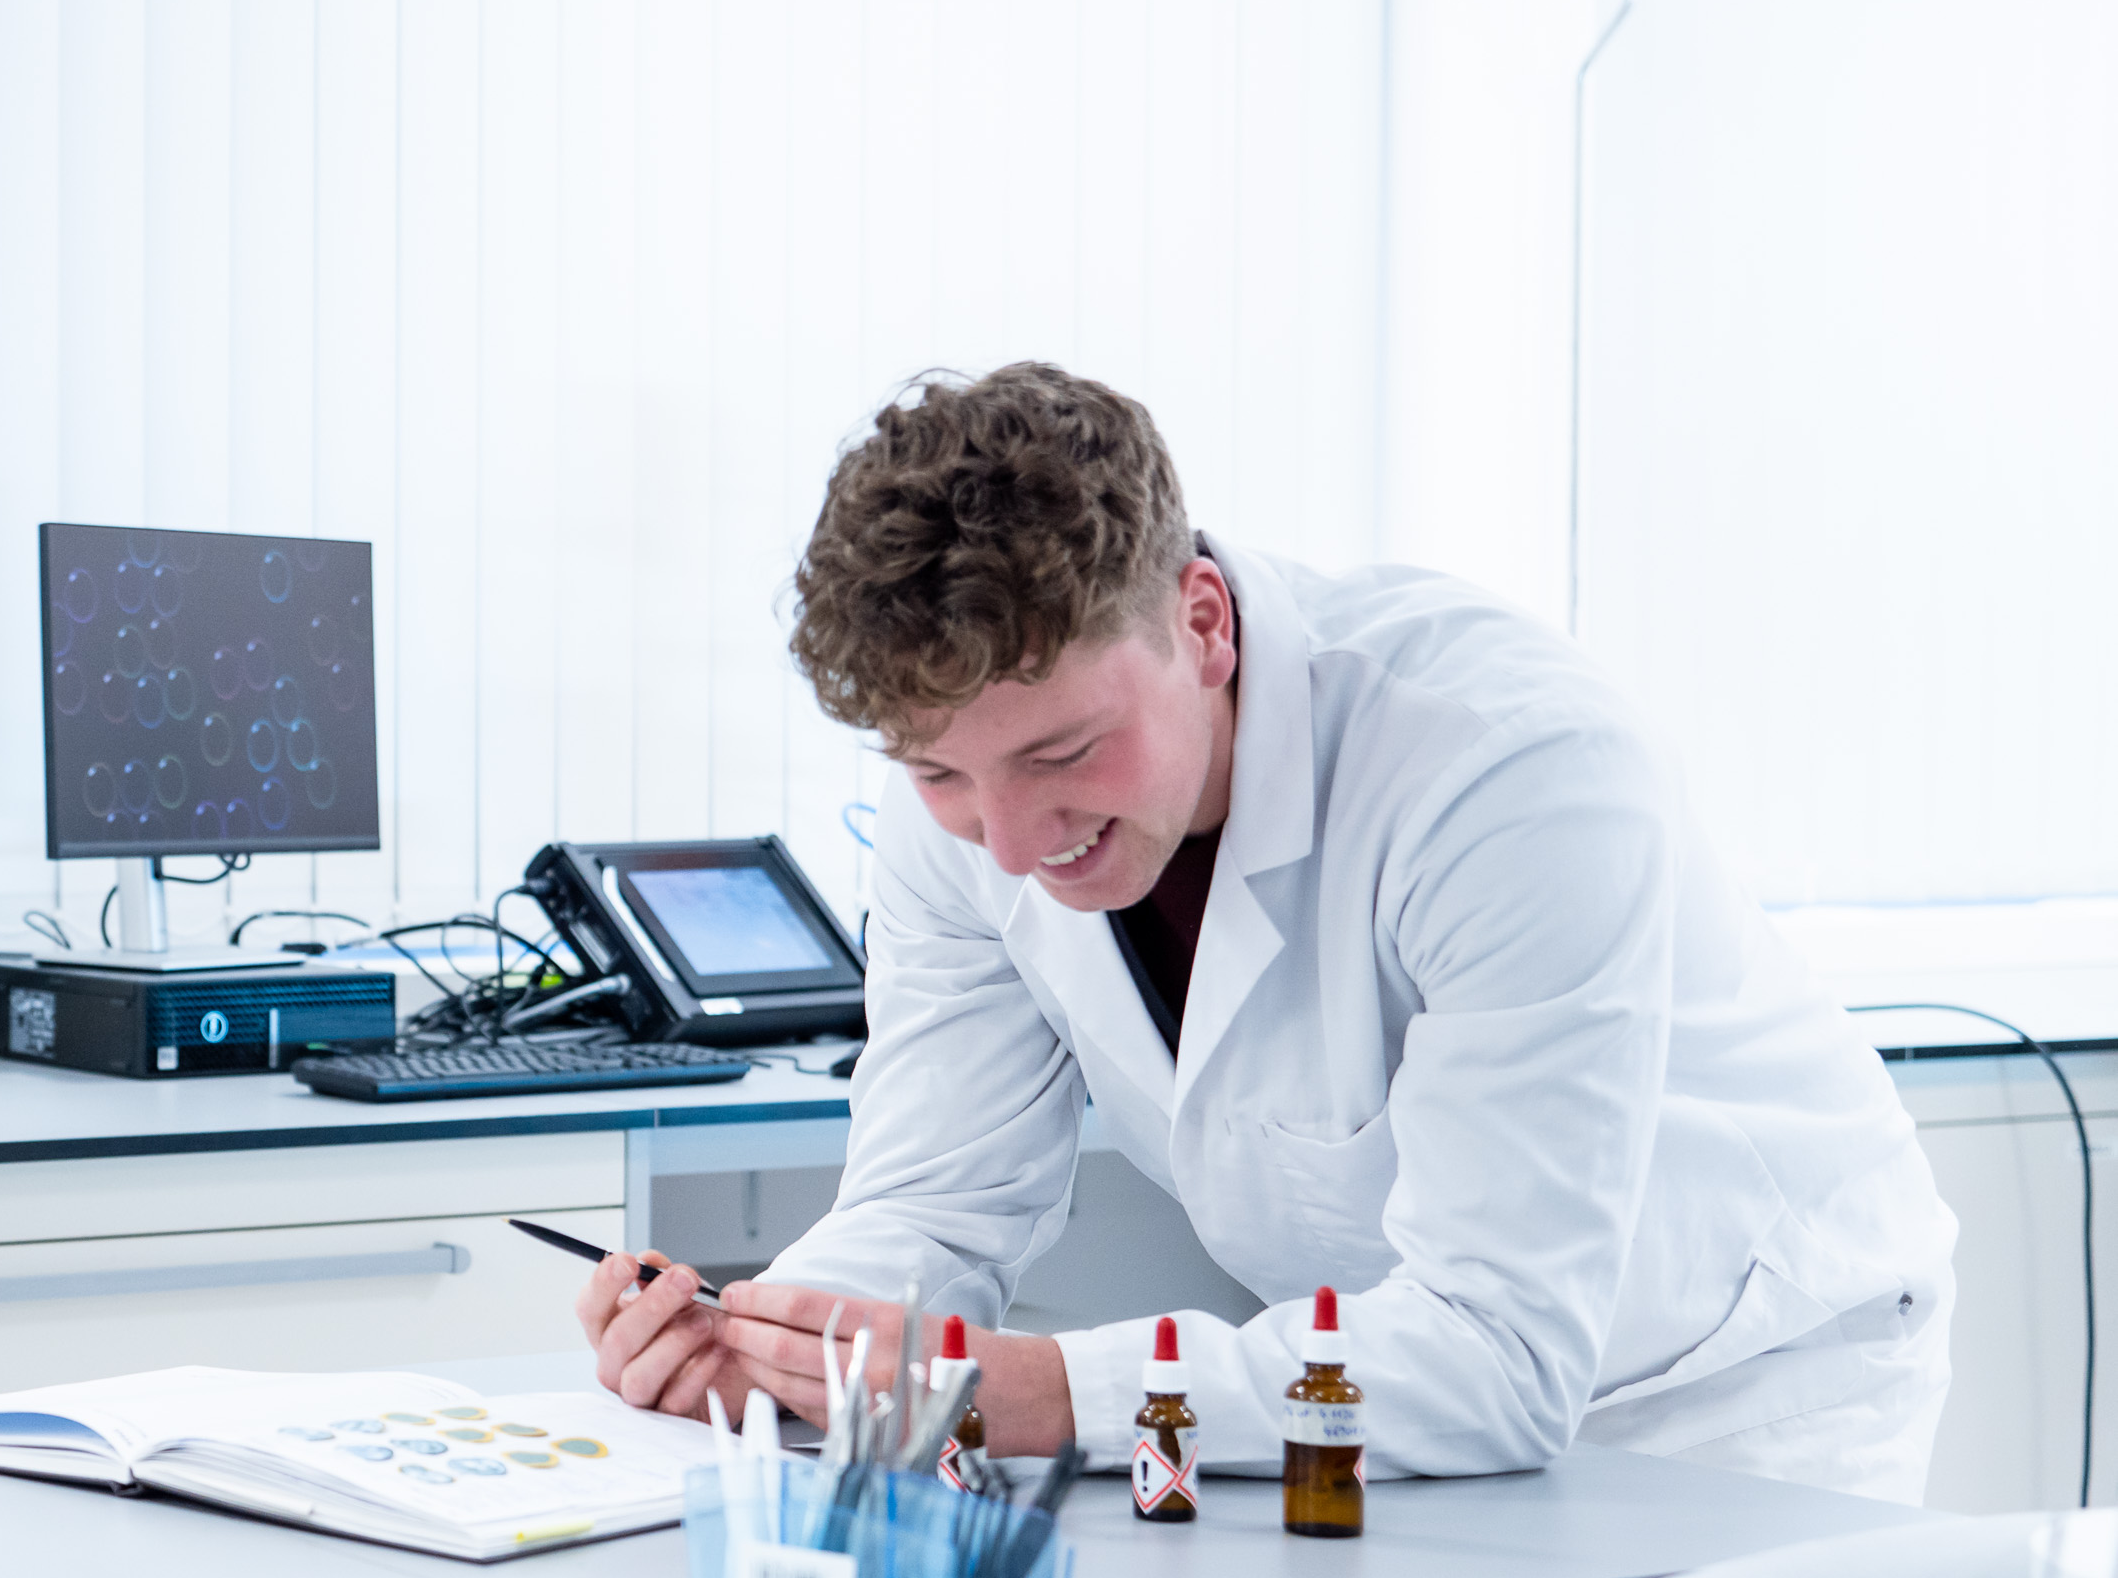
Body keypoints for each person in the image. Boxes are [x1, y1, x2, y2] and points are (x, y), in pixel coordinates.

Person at [585, 363, 1957, 1500]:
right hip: (1377, 1392)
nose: (1005, 842)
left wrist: (1044, 1392)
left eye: (1064, 753)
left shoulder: (1503, 767)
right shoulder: (971, 785)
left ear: (1203, 624)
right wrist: (766, 1347)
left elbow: (1498, 1353)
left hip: (1738, 1386)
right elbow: (936, 1201)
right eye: (942, 774)